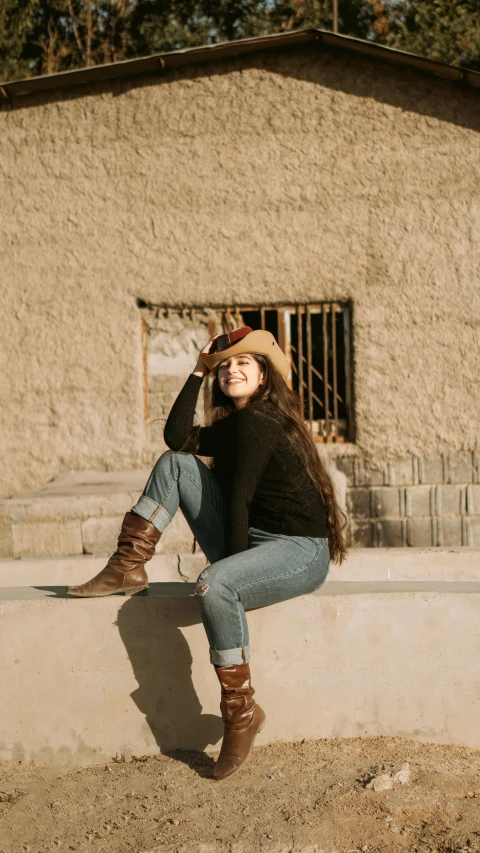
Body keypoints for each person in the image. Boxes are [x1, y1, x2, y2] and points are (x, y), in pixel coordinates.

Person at [67, 326, 347, 779]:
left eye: (243, 364)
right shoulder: (236, 423)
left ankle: (241, 715)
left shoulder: (261, 421)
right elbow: (176, 438)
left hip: (297, 552)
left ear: (264, 377)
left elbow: (237, 498)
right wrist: (198, 369)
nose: (230, 372)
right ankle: (128, 563)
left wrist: (226, 574)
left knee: (215, 585)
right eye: (225, 367)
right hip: (254, 539)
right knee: (176, 464)